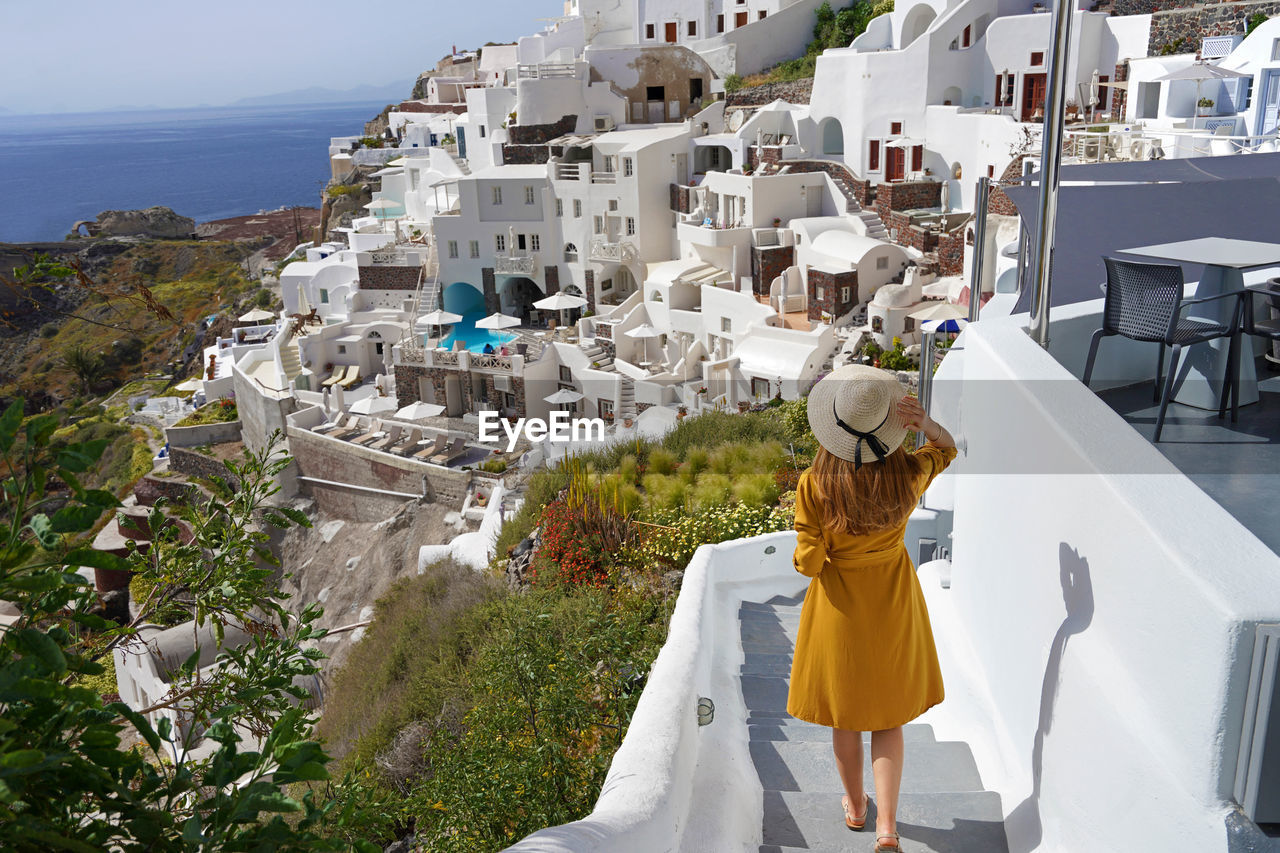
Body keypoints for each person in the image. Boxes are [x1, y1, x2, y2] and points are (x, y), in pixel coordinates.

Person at [787, 364, 956, 853]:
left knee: (846, 717)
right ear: (888, 426)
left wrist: (816, 543)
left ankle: (856, 809)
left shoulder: (814, 483)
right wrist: (924, 424)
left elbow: (808, 562)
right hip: (891, 602)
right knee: (887, 719)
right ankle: (888, 829)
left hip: (839, 609)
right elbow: (946, 449)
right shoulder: (907, 475)